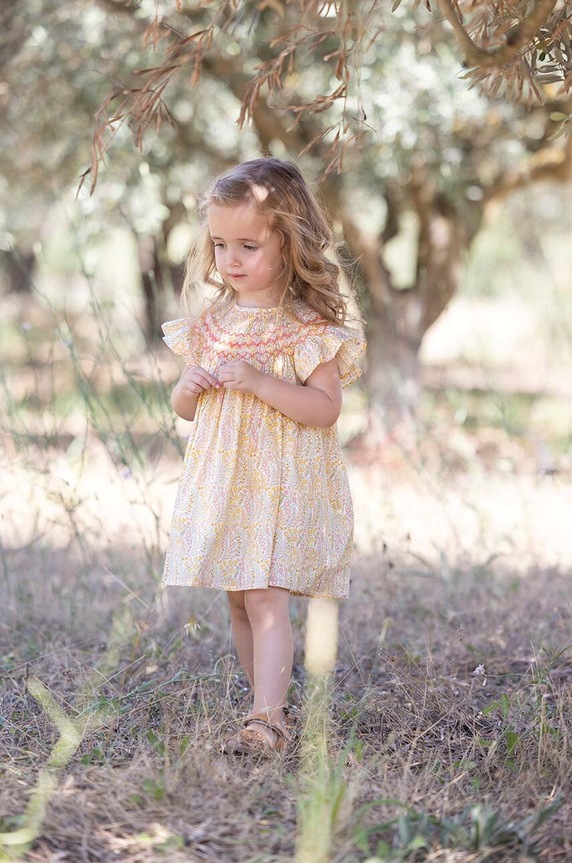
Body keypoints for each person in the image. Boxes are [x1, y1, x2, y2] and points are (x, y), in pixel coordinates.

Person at [161, 157, 365, 756]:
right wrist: (188, 388)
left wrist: (258, 382)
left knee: (265, 594)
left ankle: (268, 720)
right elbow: (185, 410)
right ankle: (264, 707)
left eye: (248, 244)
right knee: (239, 597)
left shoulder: (306, 327)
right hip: (229, 483)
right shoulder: (213, 323)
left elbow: (325, 408)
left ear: (290, 241)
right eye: (220, 244)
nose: (230, 259)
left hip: (283, 483)